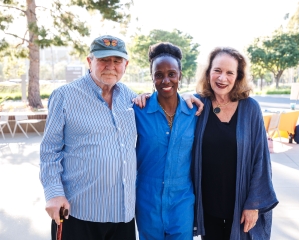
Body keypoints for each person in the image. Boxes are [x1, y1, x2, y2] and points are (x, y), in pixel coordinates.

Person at [39, 35, 138, 240]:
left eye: (117, 60)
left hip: (123, 215)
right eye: (103, 59)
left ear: (125, 65)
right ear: (89, 61)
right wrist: (54, 193)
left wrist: (193, 99)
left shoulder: (132, 98)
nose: (110, 66)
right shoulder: (65, 96)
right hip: (78, 214)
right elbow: (50, 150)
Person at [191, 47, 279, 239]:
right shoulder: (198, 104)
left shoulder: (250, 109)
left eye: (230, 72)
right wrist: (145, 97)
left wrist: (253, 205)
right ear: (208, 73)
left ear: (238, 76)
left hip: (240, 205)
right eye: (217, 71)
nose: (222, 78)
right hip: (208, 206)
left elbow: (261, 160)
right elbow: (167, 104)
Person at [133, 42, 198, 239]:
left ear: (180, 75)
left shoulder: (195, 111)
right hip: (147, 199)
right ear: (152, 77)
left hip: (182, 201)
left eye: (171, 73)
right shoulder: (138, 110)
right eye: (159, 75)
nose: (165, 80)